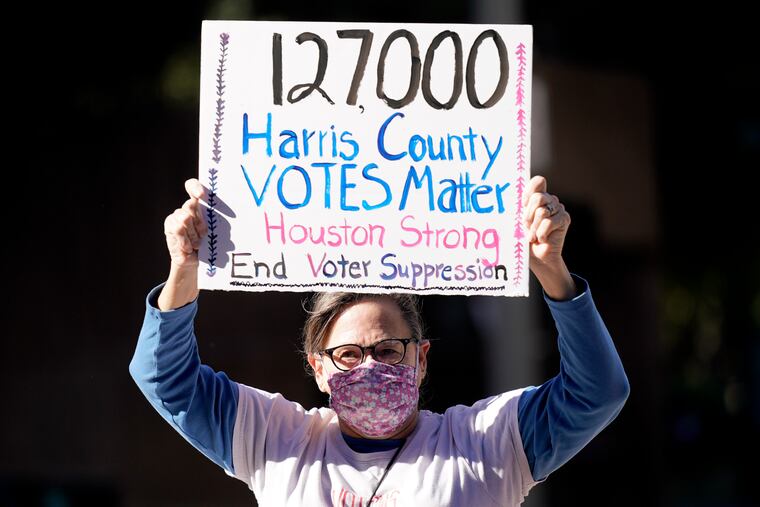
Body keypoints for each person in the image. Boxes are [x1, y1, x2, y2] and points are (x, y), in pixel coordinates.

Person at [130, 175, 629, 506]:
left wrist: (553, 274)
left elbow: (597, 393)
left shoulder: (485, 443)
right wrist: (184, 272)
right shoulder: (278, 442)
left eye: (389, 351)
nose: (370, 366)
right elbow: (165, 381)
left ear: (422, 360)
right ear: (319, 367)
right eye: (348, 354)